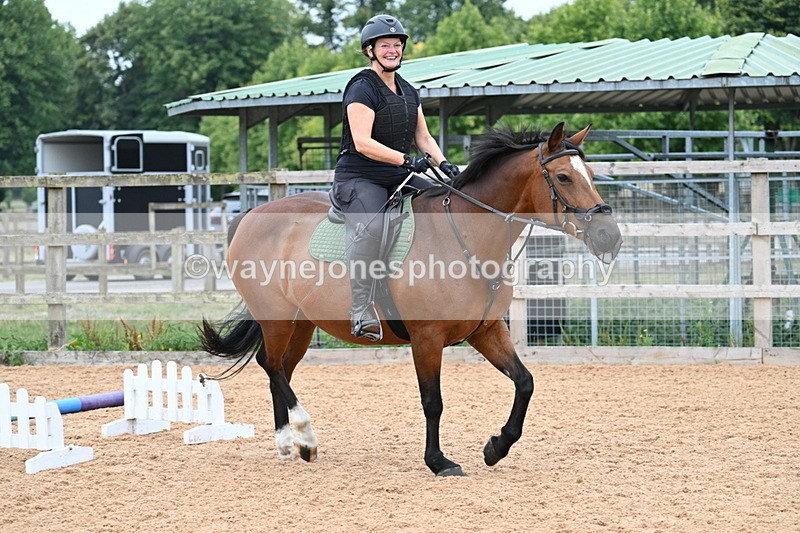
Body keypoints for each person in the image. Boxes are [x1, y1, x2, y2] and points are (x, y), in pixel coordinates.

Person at [333, 14, 461, 342]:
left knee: (445, 205)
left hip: (399, 176)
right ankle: (361, 307)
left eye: (397, 45)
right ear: (370, 51)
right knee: (372, 226)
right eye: (385, 45)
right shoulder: (362, 87)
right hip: (360, 178)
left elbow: (424, 138)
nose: (392, 50)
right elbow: (363, 142)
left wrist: (445, 165)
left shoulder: (408, 91)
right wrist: (405, 160)